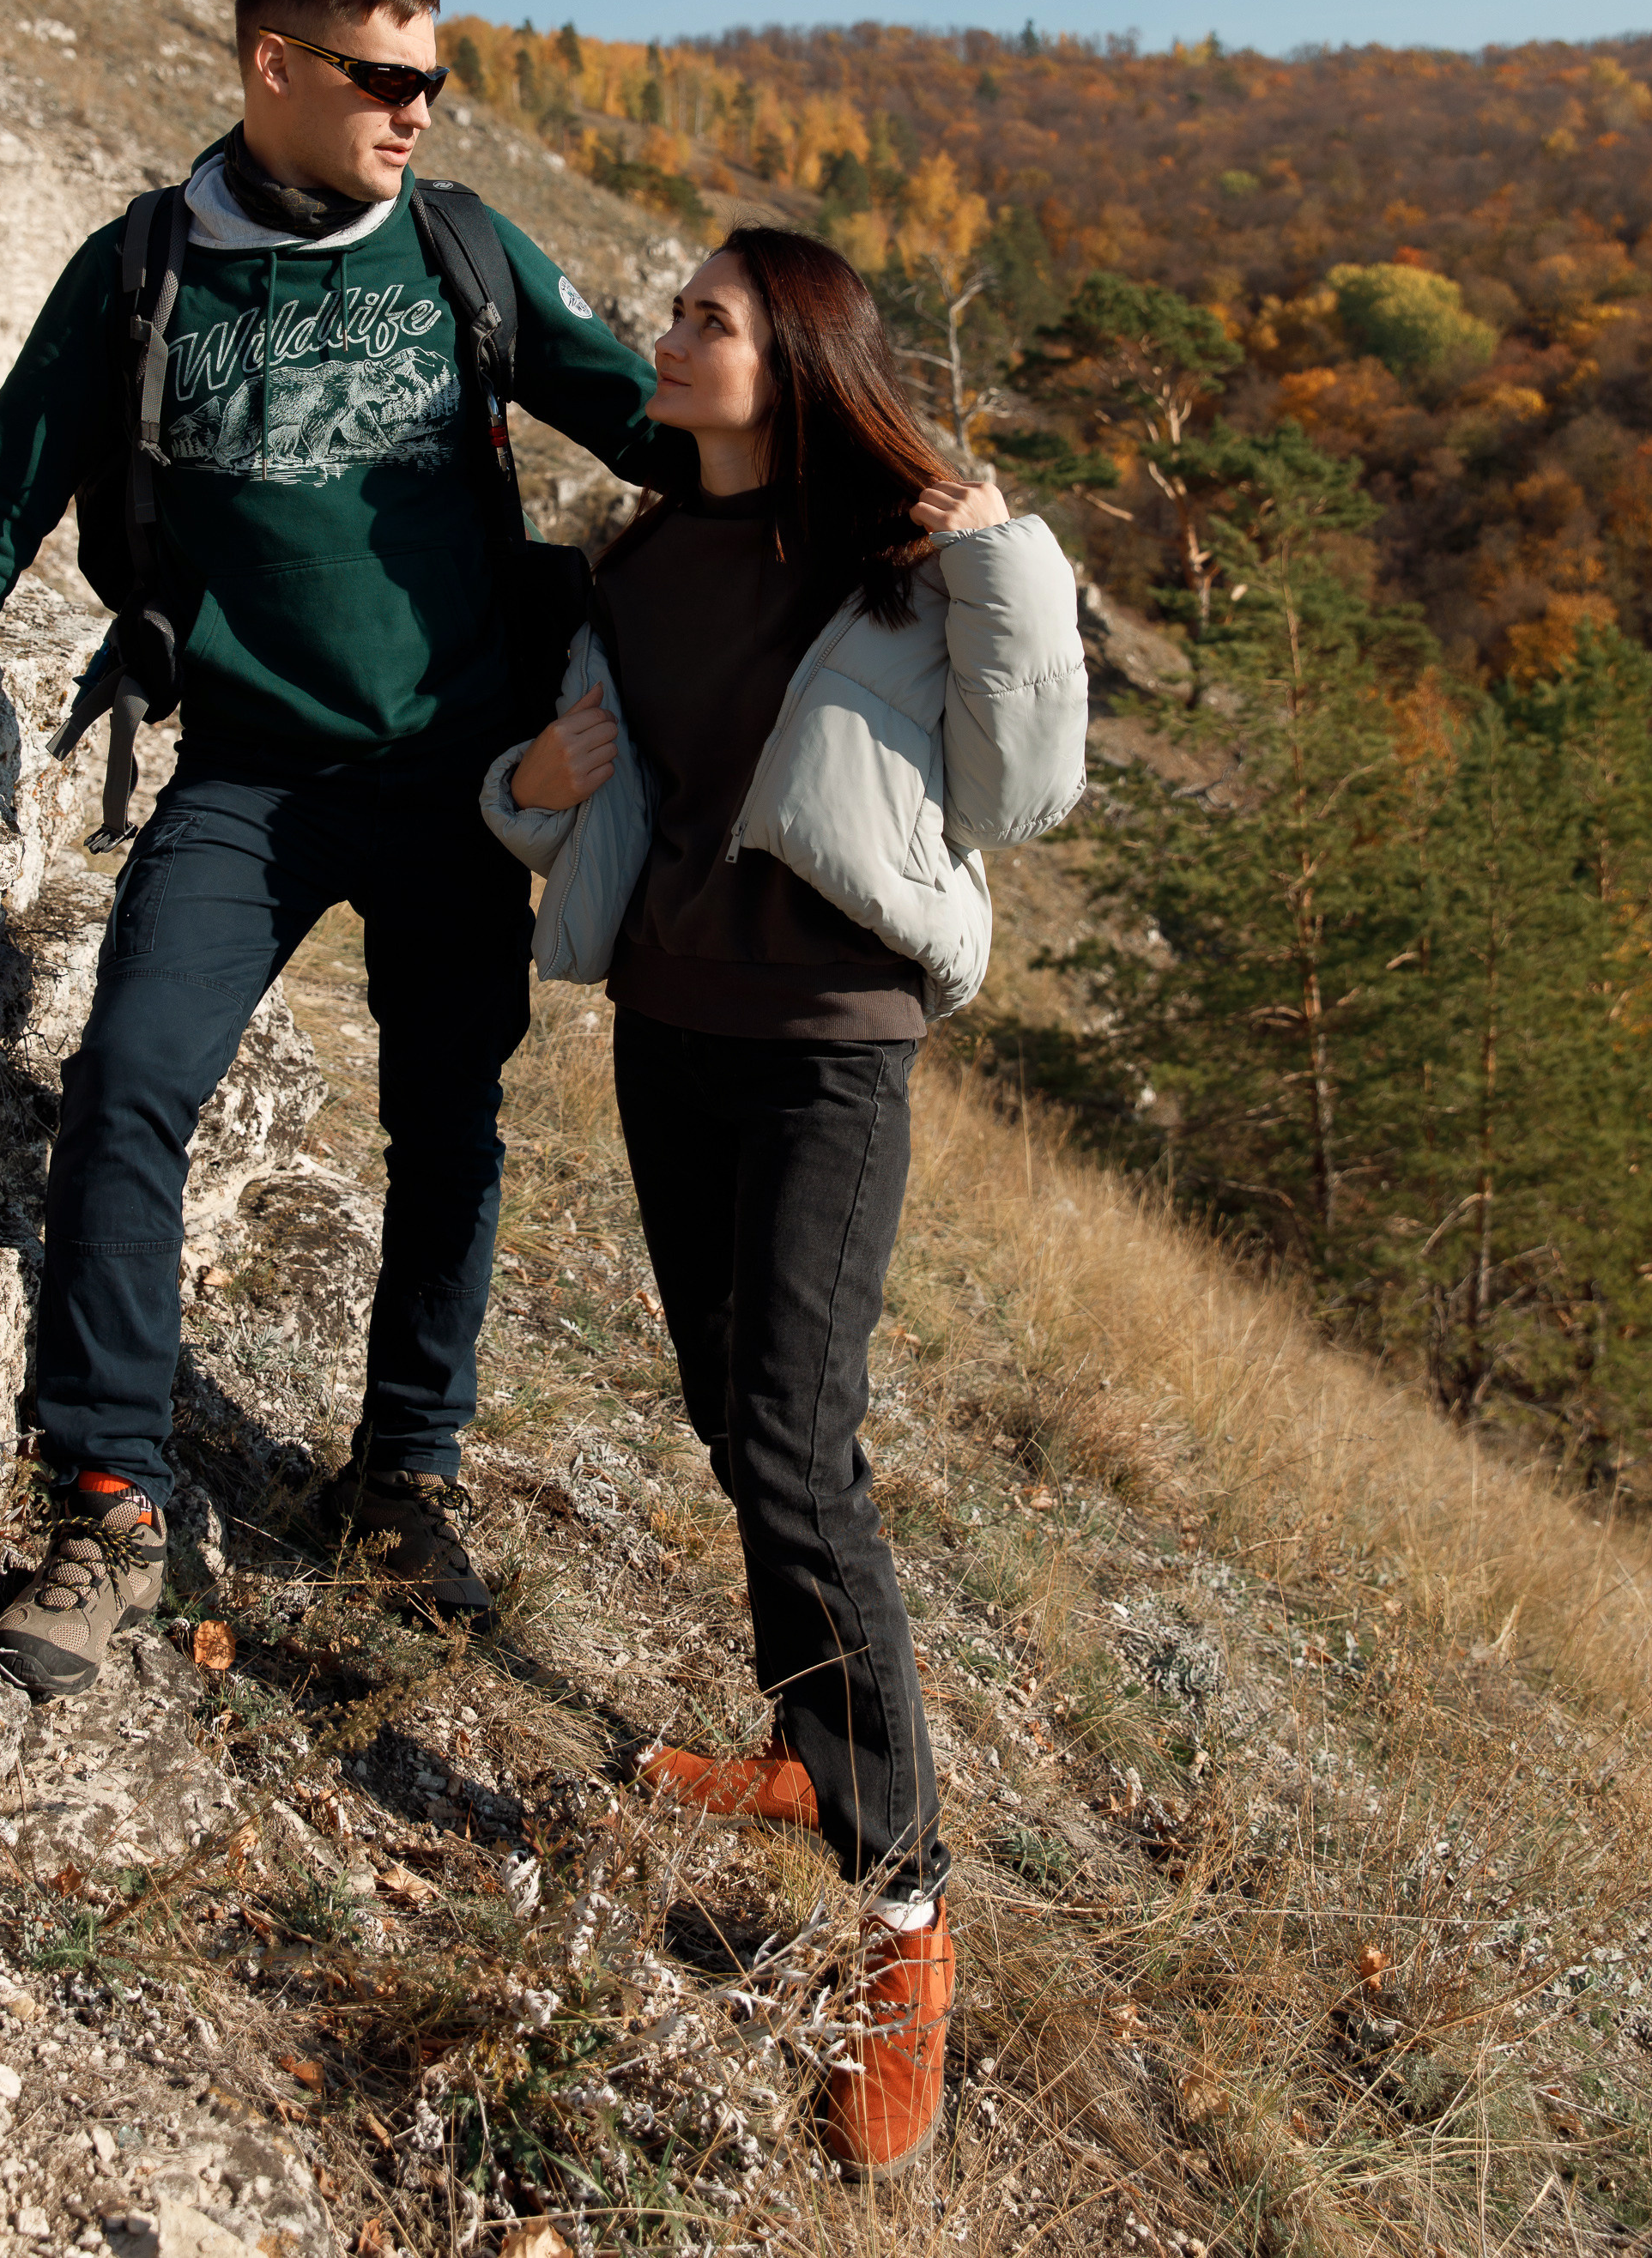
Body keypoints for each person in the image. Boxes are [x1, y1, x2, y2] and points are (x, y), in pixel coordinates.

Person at [0, 0, 691, 1696]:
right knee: (124, 1093)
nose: (420, 110)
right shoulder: (145, 273)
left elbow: (656, 425)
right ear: (274, 67)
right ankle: (106, 1497)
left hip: (469, 775)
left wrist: (872, 488)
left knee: (450, 1124)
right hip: (249, 777)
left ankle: (404, 1477)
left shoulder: (464, 251)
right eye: (387, 79)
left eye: (435, 78)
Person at [479, 227, 1086, 2179]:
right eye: (672, 318)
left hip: (834, 1036)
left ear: (797, 357)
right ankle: (813, 1754)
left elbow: (1029, 790)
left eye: (704, 321)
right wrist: (526, 782)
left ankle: (905, 1923)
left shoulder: (898, 571)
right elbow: (565, 797)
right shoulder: (638, 562)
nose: (663, 340)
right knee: (731, 1408)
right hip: (671, 1020)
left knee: (793, 1439)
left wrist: (1001, 560)